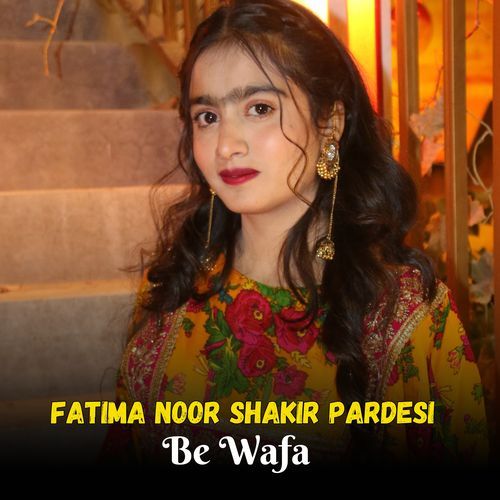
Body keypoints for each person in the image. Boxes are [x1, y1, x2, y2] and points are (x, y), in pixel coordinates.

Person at [101, 0, 489, 469]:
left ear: (331, 123)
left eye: (259, 108)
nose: (226, 145)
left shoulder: (404, 317)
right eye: (208, 116)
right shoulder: (175, 293)